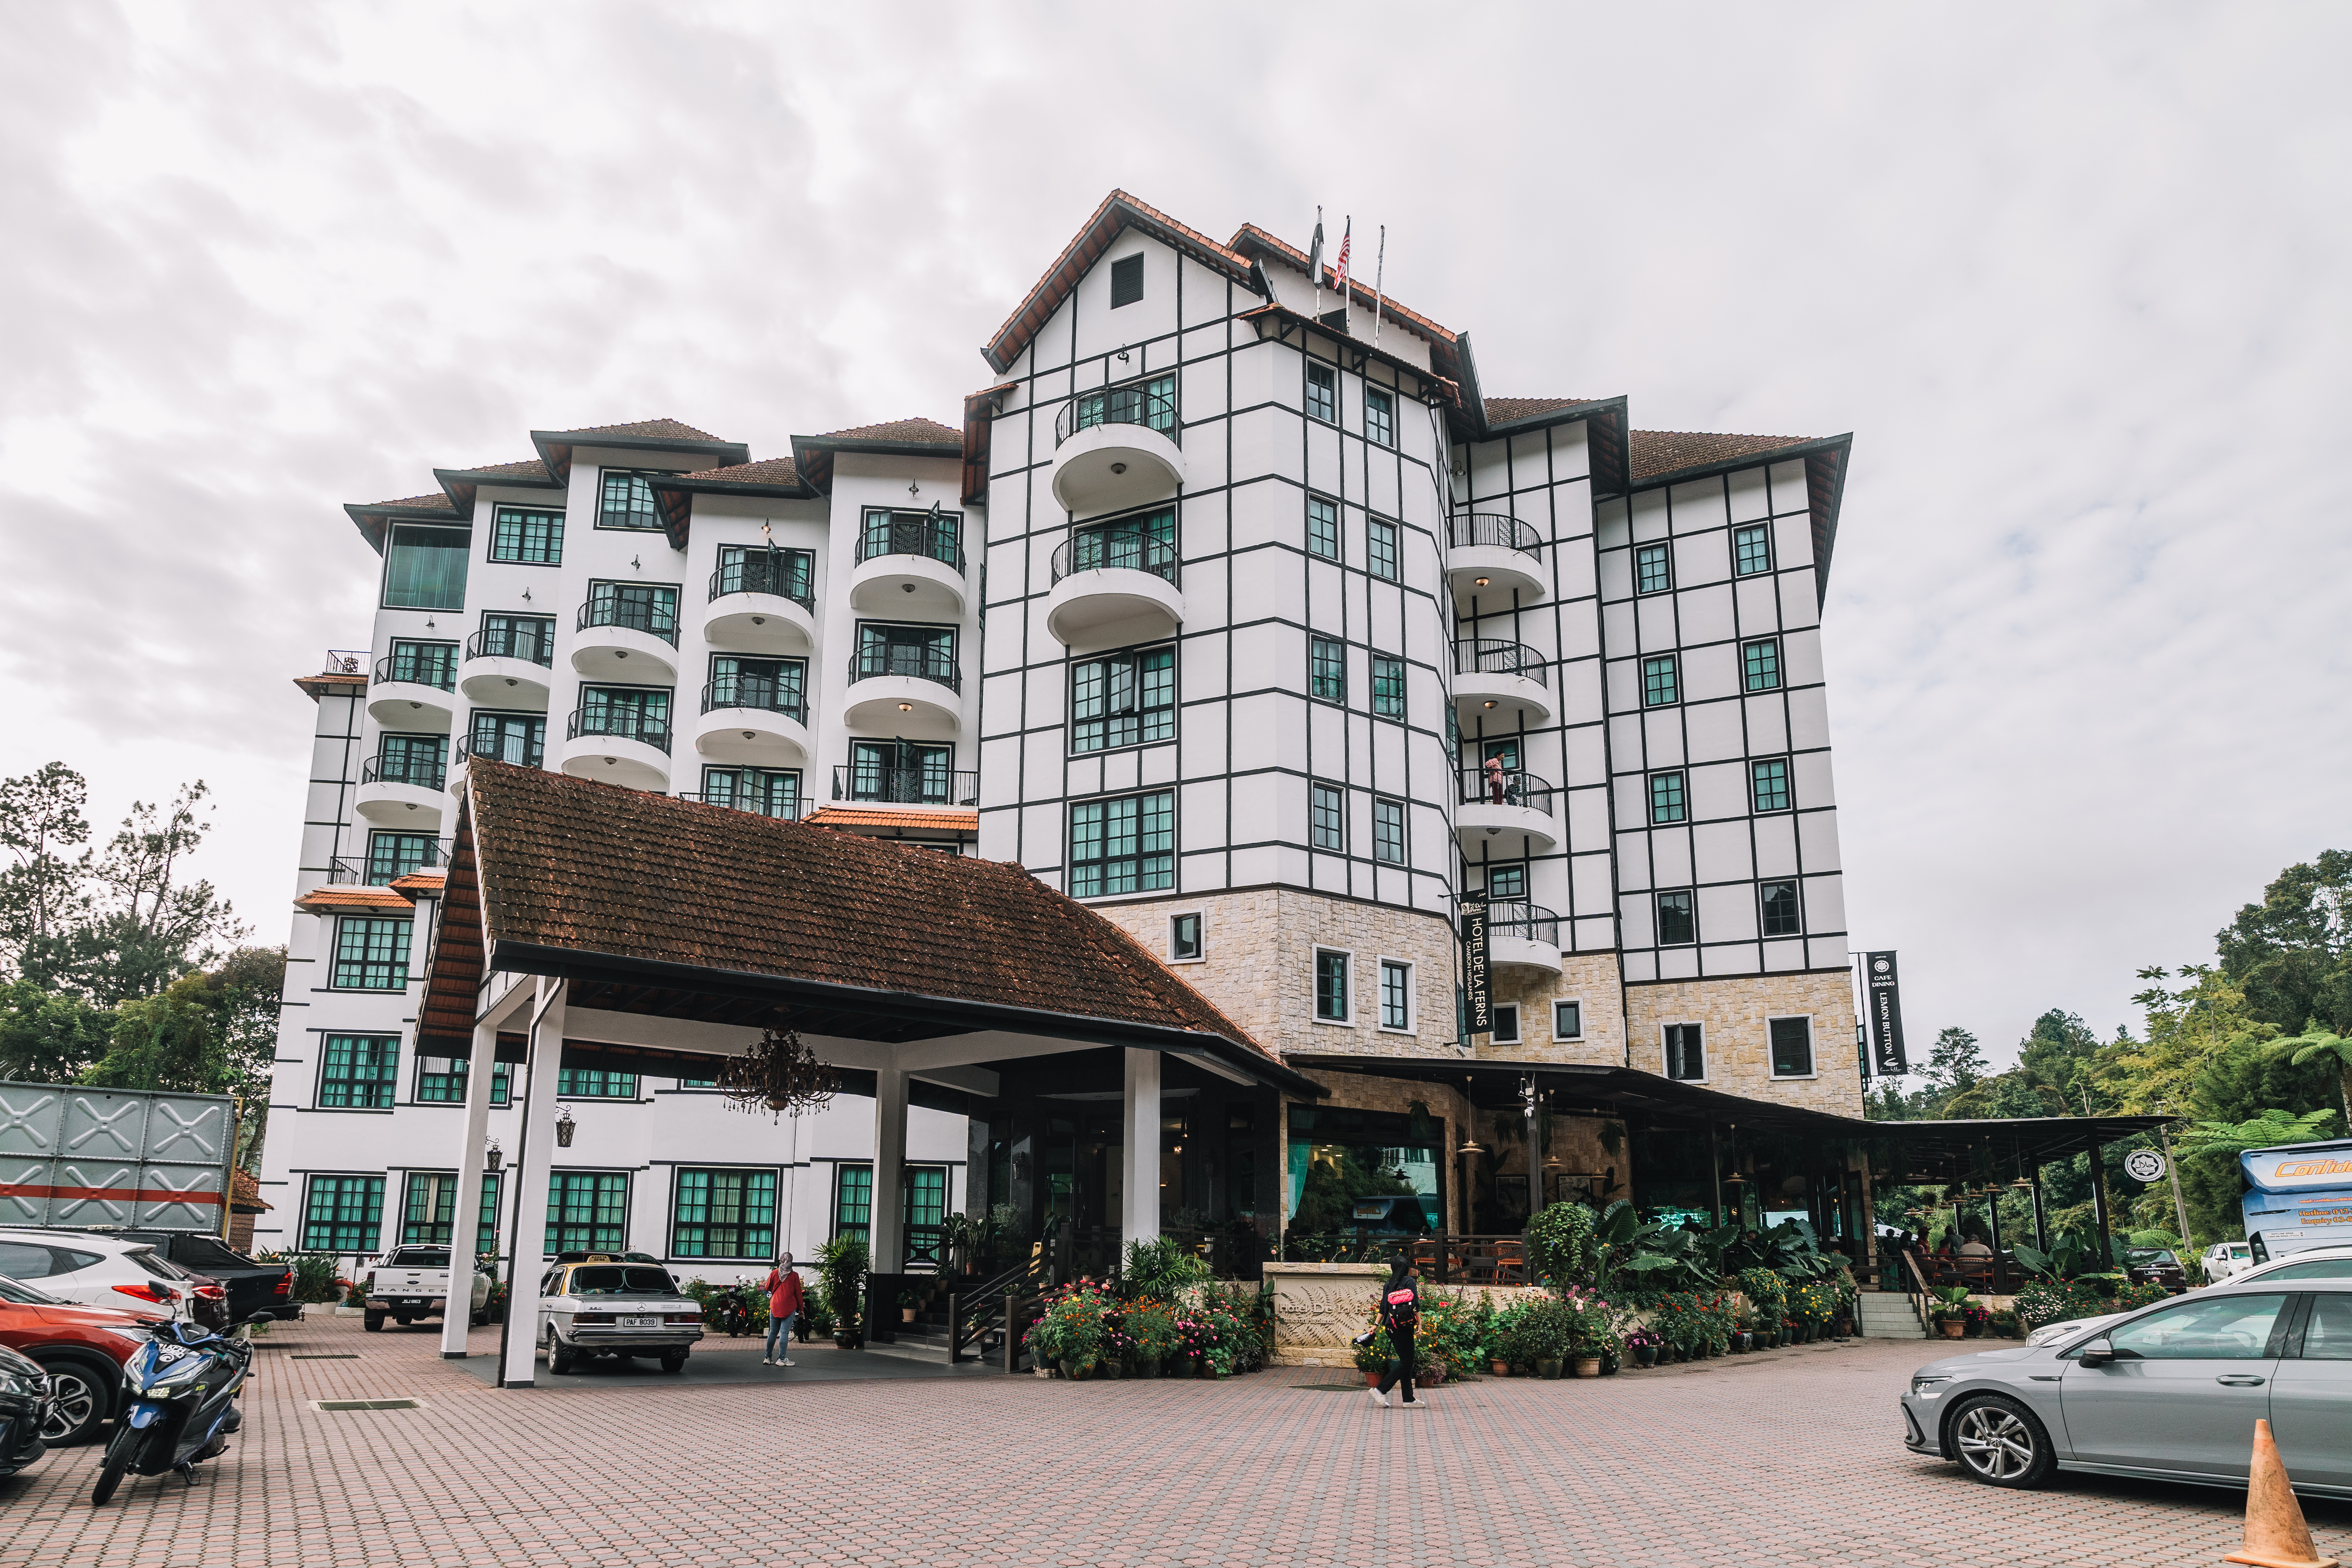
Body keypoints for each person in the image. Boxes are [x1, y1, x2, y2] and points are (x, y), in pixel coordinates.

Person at [1368, 1256, 1421, 1410]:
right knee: (1406, 1362)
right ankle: (1380, 1390)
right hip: (1404, 1327)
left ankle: (1408, 1399)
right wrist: (1419, 1324)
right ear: (1406, 1268)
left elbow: (1383, 1308)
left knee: (1407, 1362)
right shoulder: (1409, 1282)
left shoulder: (1388, 1284)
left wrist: (1375, 1325)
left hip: (1391, 1328)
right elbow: (1415, 1306)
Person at [762, 1253, 803, 1368]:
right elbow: (798, 1294)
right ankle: (781, 1359)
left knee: (773, 1332)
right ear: (791, 1262)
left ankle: (768, 1357)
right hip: (789, 1306)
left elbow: (767, 1289)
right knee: (784, 1333)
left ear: (781, 1260)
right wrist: (801, 1310)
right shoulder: (795, 1275)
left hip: (775, 1305)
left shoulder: (774, 1273)